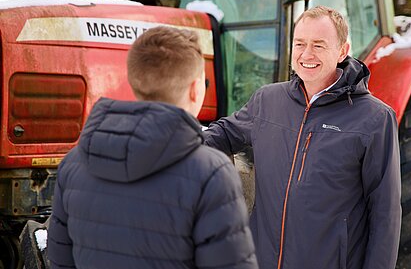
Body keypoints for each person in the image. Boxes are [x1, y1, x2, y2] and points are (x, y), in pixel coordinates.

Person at [204, 6, 402, 269]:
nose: (307, 54)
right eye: (300, 43)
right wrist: (173, 142)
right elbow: (223, 134)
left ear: (343, 50)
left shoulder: (374, 119)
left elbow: (385, 214)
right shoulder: (268, 100)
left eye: (319, 45)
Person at [48, 26, 258, 269]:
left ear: (134, 81)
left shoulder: (74, 163)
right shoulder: (211, 173)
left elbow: (61, 261)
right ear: (195, 88)